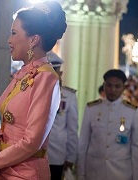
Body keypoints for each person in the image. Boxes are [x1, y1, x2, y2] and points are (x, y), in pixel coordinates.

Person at [0, 1, 67, 179]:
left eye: (14, 33)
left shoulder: (46, 78)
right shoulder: (23, 73)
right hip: (5, 169)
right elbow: (8, 129)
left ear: (33, 40)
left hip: (26, 174)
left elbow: (32, 143)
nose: (9, 40)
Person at [77, 69, 138, 180]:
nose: (112, 90)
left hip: (121, 174)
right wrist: (80, 174)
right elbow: (83, 143)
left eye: (117, 86)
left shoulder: (133, 111)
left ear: (123, 87)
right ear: (104, 86)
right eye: (109, 85)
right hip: (94, 172)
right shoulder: (92, 109)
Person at [46, 52, 78, 180]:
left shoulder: (68, 96)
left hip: (56, 154)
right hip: (34, 153)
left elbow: (72, 129)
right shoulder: (32, 92)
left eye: (55, 71)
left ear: (60, 74)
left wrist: (71, 157)